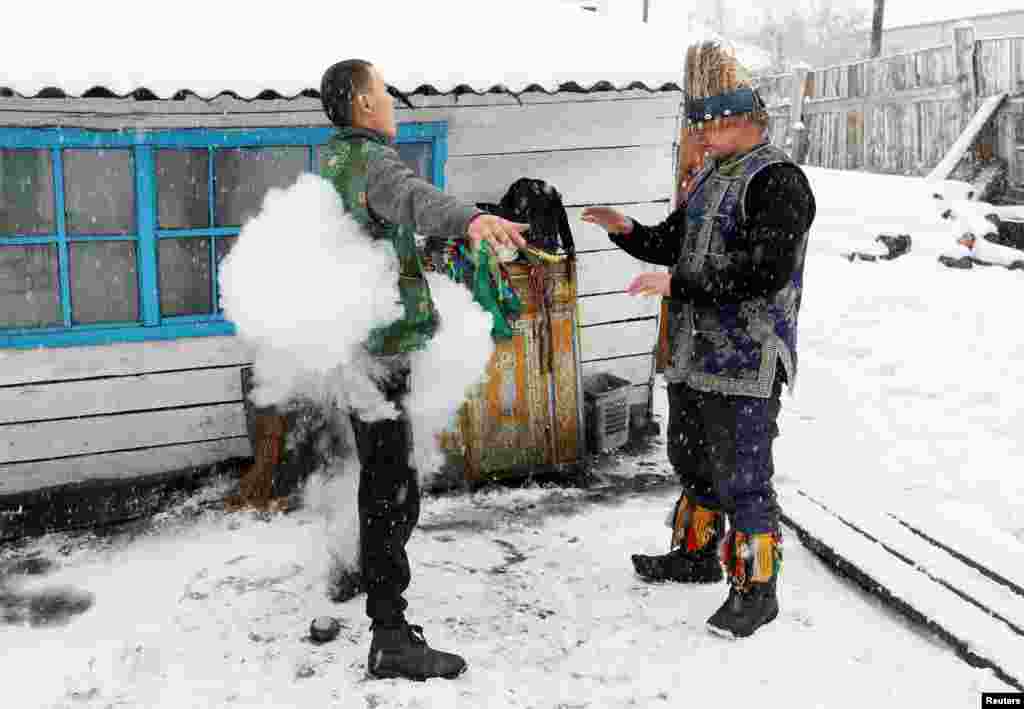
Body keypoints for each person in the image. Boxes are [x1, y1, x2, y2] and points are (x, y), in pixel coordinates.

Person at [582, 40, 816, 639]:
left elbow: (766, 268)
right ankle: (695, 556)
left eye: (712, 127)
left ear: (745, 124)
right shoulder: (713, 176)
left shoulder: (779, 181)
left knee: (743, 474)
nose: (702, 137)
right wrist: (628, 230)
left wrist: (676, 281)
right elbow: (673, 243)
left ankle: (755, 589)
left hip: (746, 355)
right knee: (692, 460)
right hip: (695, 352)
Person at [319, 59, 528, 680]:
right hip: (379, 352)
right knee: (393, 489)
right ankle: (390, 633)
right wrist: (471, 220)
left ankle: (361, 567)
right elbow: (412, 197)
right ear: (361, 104)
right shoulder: (374, 162)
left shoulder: (333, 161)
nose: (391, 103)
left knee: (381, 479)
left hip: (355, 345)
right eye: (383, 93)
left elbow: (380, 228)